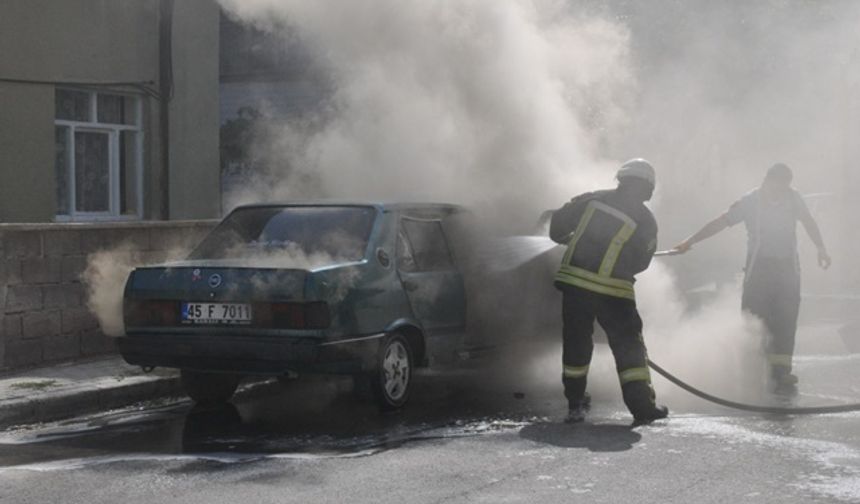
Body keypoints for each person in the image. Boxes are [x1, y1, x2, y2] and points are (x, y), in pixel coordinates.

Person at [672, 163, 831, 394]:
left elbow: (808, 221)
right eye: (777, 187)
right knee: (754, 319)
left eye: (784, 188)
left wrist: (821, 248)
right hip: (759, 271)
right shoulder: (750, 201)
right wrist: (691, 241)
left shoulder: (794, 198)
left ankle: (781, 372)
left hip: (788, 272)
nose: (780, 192)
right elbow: (721, 222)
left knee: (785, 320)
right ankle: (751, 369)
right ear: (766, 181)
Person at [549, 158, 669, 425]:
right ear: (649, 188)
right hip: (614, 292)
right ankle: (642, 408)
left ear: (620, 179)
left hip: (576, 285)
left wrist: (571, 239)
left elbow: (557, 226)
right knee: (629, 348)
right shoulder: (646, 221)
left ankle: (576, 404)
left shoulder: (591, 199)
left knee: (576, 343)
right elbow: (642, 261)